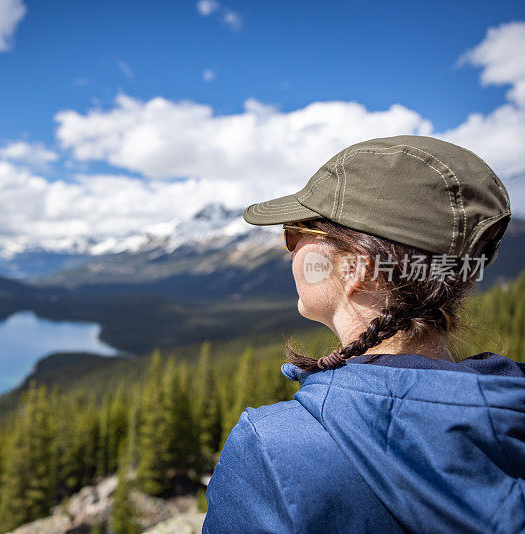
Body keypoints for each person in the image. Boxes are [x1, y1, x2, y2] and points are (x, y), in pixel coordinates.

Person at [202, 135, 525, 533]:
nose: (290, 251)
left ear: (357, 269)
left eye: (294, 232)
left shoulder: (272, 451)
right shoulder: (511, 412)